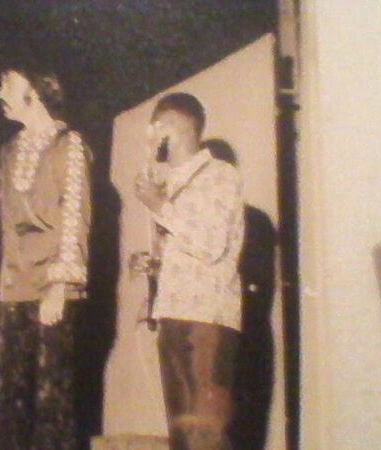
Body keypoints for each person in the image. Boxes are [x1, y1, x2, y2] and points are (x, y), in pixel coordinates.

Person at [0, 66, 92, 450]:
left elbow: (74, 216)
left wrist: (60, 286)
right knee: (10, 406)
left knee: (50, 406)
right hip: (11, 291)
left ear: (34, 87)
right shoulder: (6, 151)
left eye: (7, 83)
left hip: (51, 290)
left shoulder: (68, 144)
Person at [133, 93, 244, 449]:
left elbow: (211, 244)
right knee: (183, 438)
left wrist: (158, 205)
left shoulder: (220, 175)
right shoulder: (171, 183)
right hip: (173, 317)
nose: (150, 139)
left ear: (172, 127)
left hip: (206, 323)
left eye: (154, 129)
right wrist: (153, 266)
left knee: (204, 437)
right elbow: (186, 248)